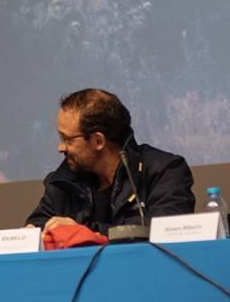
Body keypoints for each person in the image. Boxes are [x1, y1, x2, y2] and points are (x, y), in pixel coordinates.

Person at [25, 88, 195, 235]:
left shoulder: (164, 171)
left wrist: (85, 233)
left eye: (67, 139)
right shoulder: (62, 183)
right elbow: (36, 228)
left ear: (98, 141)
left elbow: (167, 231)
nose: (60, 147)